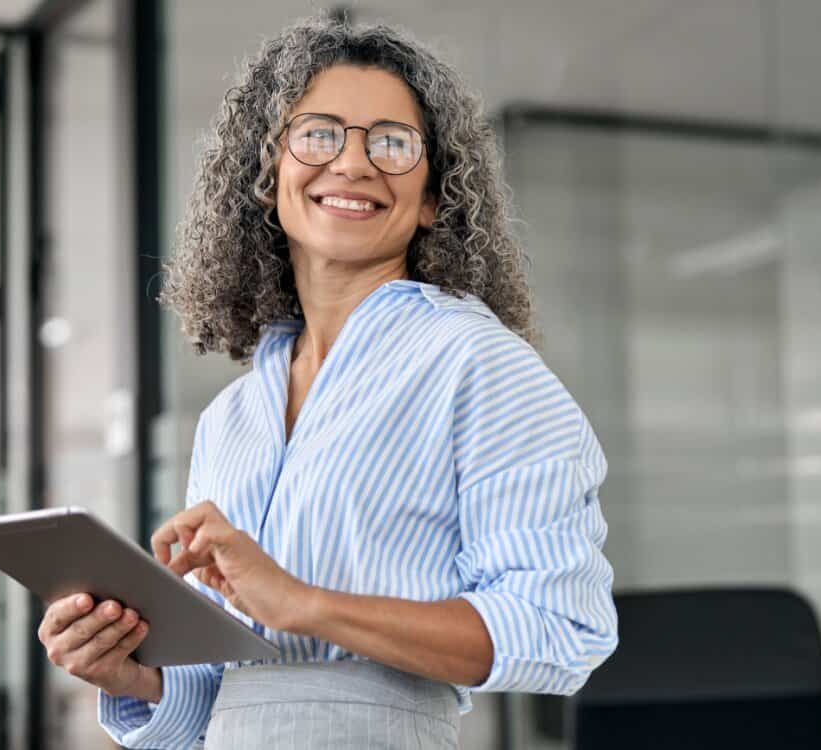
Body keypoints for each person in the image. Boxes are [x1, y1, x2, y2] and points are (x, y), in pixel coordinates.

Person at [33, 18, 618, 749]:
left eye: (392, 143)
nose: (352, 163)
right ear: (267, 172)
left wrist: (305, 603)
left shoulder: (475, 363)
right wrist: (130, 671)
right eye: (318, 134)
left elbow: (561, 628)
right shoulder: (233, 417)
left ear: (436, 196)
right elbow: (224, 691)